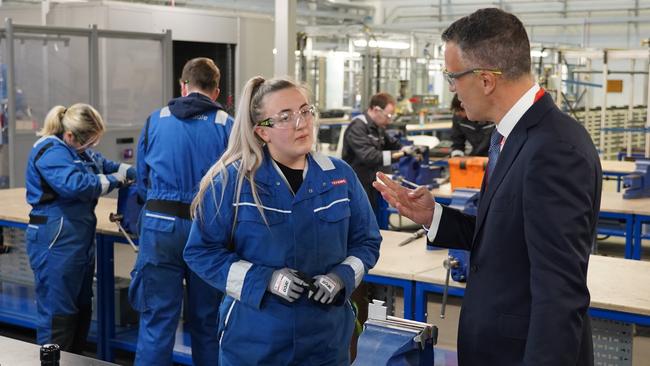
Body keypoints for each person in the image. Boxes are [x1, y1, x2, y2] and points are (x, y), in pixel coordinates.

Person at [374, 8, 601, 366]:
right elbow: (499, 234)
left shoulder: (555, 149)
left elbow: (560, 295)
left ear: (485, 80)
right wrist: (434, 216)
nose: (451, 88)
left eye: (453, 76)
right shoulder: (507, 137)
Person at [183, 76, 381, 365]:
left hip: (325, 343)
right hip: (255, 344)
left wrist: (342, 277)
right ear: (262, 132)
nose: (301, 123)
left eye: (305, 111)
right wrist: (265, 280)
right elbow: (201, 252)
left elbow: (367, 242)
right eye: (285, 117)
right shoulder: (233, 183)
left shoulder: (339, 176)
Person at [129, 57, 234, 366]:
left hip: (160, 228)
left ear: (183, 86)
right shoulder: (227, 126)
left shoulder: (155, 120)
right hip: (207, 229)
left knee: (157, 319)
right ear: (216, 91)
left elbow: (142, 181)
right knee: (208, 321)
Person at [25, 103, 134, 352]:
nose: (92, 147)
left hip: (77, 238)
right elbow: (77, 185)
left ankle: (74, 358)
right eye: (90, 142)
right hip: (54, 239)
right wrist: (117, 181)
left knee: (82, 307)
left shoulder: (77, 151)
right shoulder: (50, 151)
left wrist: (137, 173)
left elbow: (106, 165)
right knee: (58, 312)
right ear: (71, 135)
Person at [342, 92, 413, 212]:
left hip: (373, 182)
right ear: (376, 110)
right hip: (358, 184)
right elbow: (369, 156)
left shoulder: (377, 127)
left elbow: (392, 143)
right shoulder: (357, 127)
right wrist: (400, 154)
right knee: (363, 220)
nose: (389, 121)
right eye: (388, 116)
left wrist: (407, 148)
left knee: (376, 217)